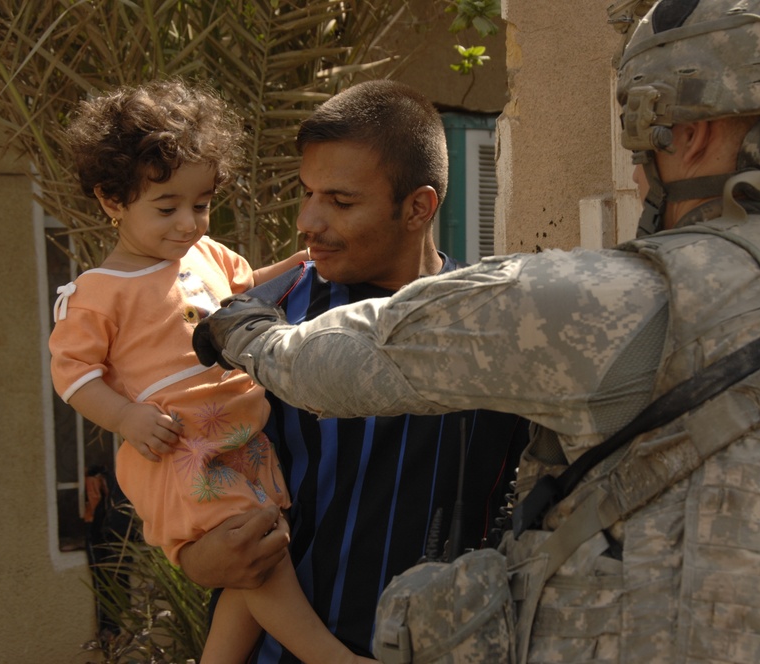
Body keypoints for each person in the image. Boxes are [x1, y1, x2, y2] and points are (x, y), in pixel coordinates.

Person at [194, 1, 760, 663]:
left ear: (692, 135)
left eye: (647, 131)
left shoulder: (616, 297)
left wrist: (246, 331)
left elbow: (351, 358)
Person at [181, 79, 528, 662]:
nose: (307, 221)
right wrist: (194, 557)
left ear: (419, 206)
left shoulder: (497, 326)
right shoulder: (254, 322)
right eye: (307, 193)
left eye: (340, 202)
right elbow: (179, 475)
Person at [49, 79, 370, 664]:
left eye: (200, 204)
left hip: (238, 434)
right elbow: (73, 376)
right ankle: (331, 657)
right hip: (178, 447)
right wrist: (127, 417)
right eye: (166, 207)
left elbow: (245, 291)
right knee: (256, 548)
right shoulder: (97, 293)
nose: (188, 223)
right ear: (112, 201)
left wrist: (298, 264)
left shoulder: (206, 254)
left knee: (255, 555)